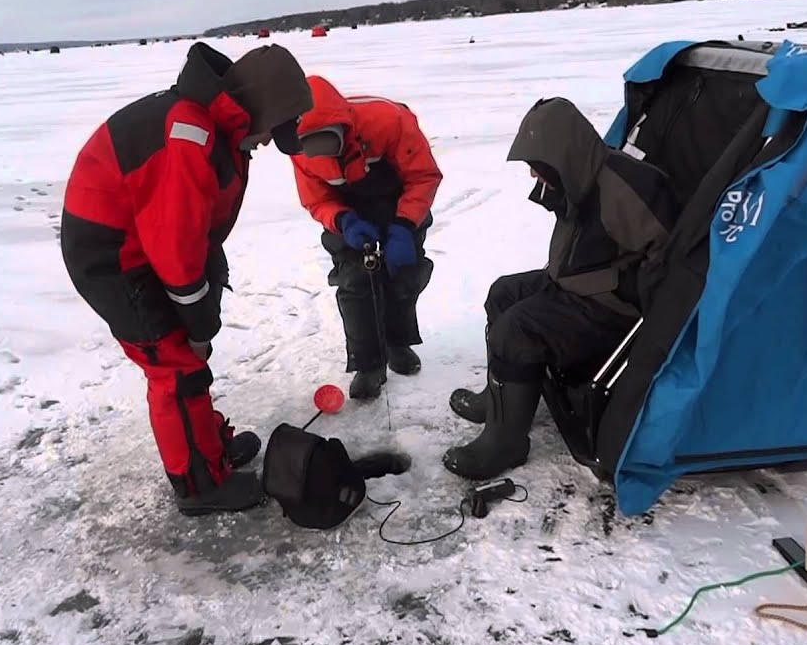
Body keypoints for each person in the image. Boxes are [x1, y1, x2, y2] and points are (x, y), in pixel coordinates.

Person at [60, 42, 313, 516]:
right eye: (270, 131)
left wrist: (204, 300)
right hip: (114, 255)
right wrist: (197, 322)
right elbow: (174, 245)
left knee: (186, 355)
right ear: (259, 108)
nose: (263, 143)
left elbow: (194, 229)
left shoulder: (215, 125)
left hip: (144, 242)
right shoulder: (190, 136)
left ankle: (207, 450)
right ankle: (198, 484)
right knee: (174, 364)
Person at [442, 97, 680, 480]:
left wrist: (644, 316)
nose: (534, 177)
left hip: (612, 305)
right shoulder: (579, 174)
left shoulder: (627, 187)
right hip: (576, 282)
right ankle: (501, 400)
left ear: (562, 155)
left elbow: (668, 255)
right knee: (503, 294)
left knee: (516, 330)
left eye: (538, 168)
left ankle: (507, 443)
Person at [289, 76, 442, 400]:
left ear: (343, 129)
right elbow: (316, 198)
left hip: (399, 205)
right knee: (355, 283)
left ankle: (398, 342)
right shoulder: (299, 150)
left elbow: (423, 176)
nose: (323, 154)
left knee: (402, 278)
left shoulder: (390, 121)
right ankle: (368, 364)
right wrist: (343, 220)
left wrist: (404, 225)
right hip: (351, 217)